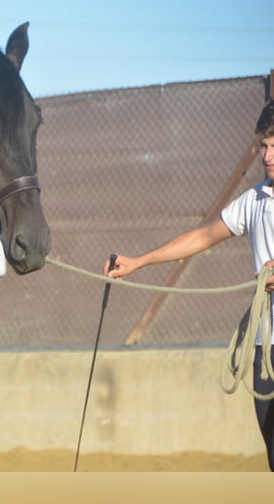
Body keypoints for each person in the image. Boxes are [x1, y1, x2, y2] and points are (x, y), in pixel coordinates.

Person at [105, 100, 274, 471]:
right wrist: (139, 262)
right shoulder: (256, 199)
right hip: (265, 346)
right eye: (264, 145)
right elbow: (201, 237)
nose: (267, 155)